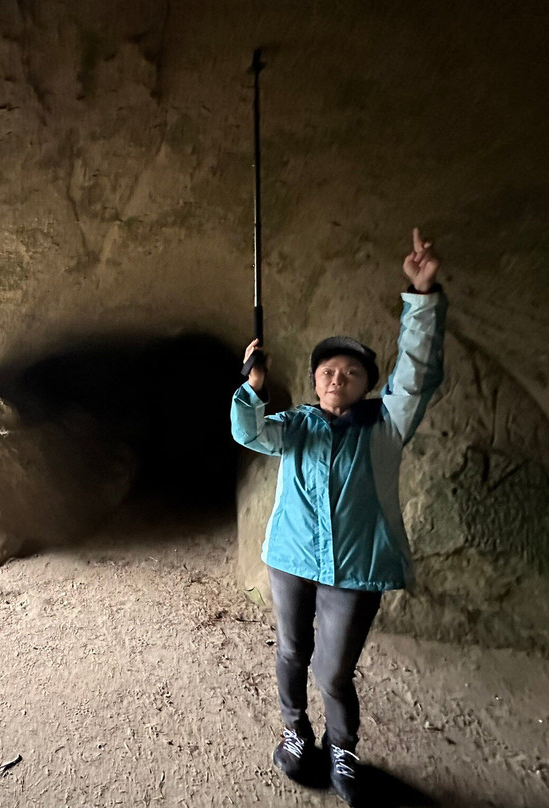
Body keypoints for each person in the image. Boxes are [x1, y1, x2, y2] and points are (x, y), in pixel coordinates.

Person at [229, 228, 446, 807]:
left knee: (333, 671)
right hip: (291, 558)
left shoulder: (384, 429)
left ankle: (342, 746)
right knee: (292, 652)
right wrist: (252, 386)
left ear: (366, 385)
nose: (336, 378)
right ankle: (296, 730)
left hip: (357, 567)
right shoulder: (295, 426)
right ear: (315, 379)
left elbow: (417, 375)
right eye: (327, 370)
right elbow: (248, 432)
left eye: (350, 372)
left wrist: (420, 298)